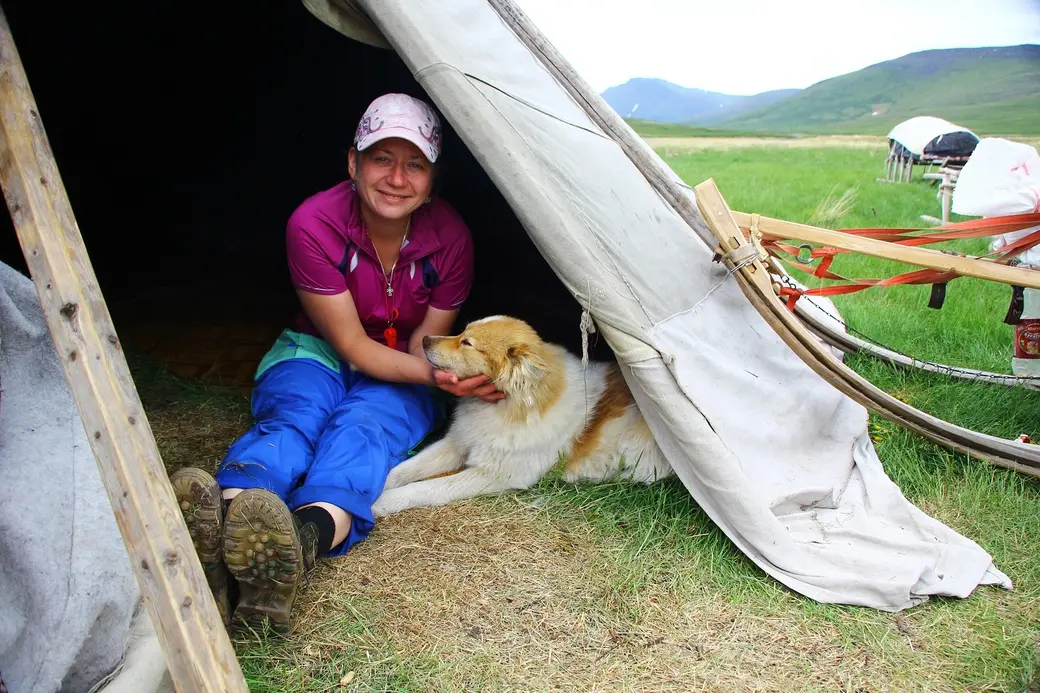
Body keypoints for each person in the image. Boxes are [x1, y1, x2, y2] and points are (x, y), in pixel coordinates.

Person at [170, 93, 501, 635]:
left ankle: (298, 543)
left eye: (414, 163)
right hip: (318, 348)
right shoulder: (314, 223)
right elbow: (348, 343)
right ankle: (226, 522)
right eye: (381, 158)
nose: (397, 177)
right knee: (296, 416)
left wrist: (445, 375)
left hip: (407, 359)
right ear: (353, 162)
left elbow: (427, 344)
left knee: (365, 430)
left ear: (433, 178)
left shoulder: (451, 239)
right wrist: (445, 382)